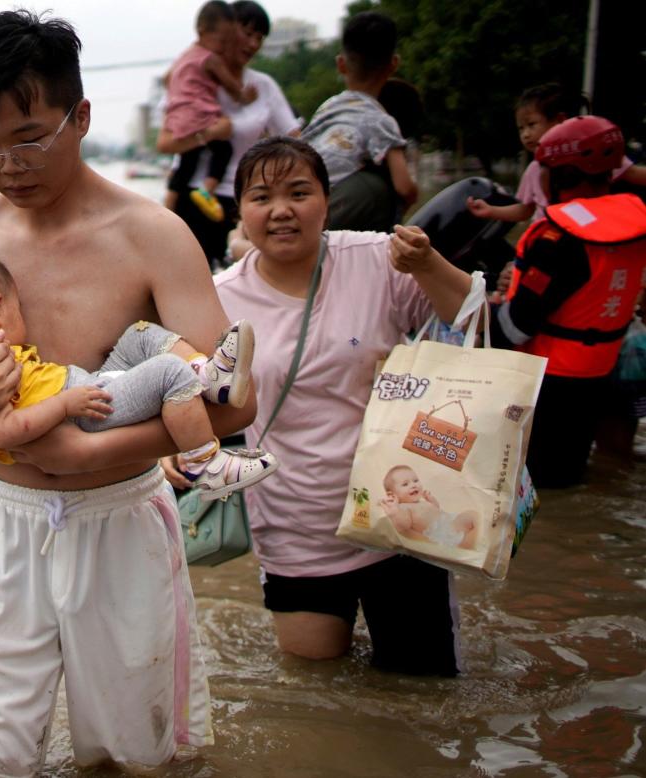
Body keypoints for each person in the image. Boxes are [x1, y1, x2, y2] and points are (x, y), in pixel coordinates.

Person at [0, 10, 257, 773]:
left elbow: (233, 402)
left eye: (28, 137)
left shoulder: (151, 235)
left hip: (118, 520)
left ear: (79, 116)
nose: (7, 165)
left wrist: (83, 456)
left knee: (127, 755)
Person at [192, 136, 472, 676]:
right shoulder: (218, 298)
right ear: (240, 211)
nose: (281, 211)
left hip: (402, 516)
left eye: (299, 192)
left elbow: (468, 320)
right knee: (315, 687)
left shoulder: (377, 259)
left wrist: (430, 265)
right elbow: (189, 396)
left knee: (424, 688)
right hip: (294, 522)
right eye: (261, 197)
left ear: (326, 199)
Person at [0, 242, 276, 501]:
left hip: (84, 387)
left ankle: (207, 374)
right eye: (18, 307)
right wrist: (66, 406)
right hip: (83, 413)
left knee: (140, 334)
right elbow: (5, 432)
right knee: (168, 372)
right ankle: (204, 464)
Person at [489, 115, 646, 488]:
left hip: (549, 383)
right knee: (570, 477)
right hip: (597, 372)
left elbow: (517, 325)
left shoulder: (558, 239)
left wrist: (480, 310)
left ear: (560, 174)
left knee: (533, 487)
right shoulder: (635, 223)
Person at [157, 0, 300, 269]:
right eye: (247, 33)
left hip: (243, 202)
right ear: (228, 31)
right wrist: (211, 134)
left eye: (260, 37)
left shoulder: (263, 86)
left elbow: (295, 141)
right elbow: (164, 144)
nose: (253, 44)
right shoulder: (192, 81)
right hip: (193, 199)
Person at [301, 11, 417, 234]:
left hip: (302, 197)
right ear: (394, 64)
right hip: (330, 210)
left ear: (341, 64)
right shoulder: (382, 120)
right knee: (380, 190)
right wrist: (413, 195)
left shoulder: (327, 107)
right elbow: (403, 187)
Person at [467, 83, 646, 225]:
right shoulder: (534, 169)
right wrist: (491, 211)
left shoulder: (595, 154)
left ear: (561, 121)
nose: (526, 134)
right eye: (521, 128)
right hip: (548, 242)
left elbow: (636, 175)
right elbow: (526, 210)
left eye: (532, 124)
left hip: (590, 238)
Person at [160, 1, 255, 222]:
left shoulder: (184, 56)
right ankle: (207, 189)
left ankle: (169, 207)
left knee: (187, 161)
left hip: (179, 115)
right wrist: (245, 97)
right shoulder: (210, 59)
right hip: (201, 113)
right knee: (224, 150)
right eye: (222, 41)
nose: (223, 47)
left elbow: (166, 79)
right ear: (203, 31)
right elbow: (231, 87)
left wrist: (180, 93)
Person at [380, 465, 478, 549]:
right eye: (405, 484)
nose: (413, 485)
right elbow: (404, 526)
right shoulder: (403, 508)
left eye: (415, 480)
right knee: (471, 536)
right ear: (392, 495)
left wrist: (431, 500)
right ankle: (468, 543)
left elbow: (436, 510)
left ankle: (475, 536)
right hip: (442, 533)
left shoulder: (421, 502)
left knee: (472, 514)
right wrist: (395, 512)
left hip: (449, 520)